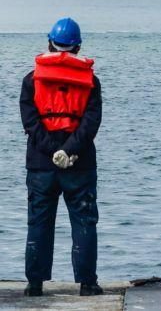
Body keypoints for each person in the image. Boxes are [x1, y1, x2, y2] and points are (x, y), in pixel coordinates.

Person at [20, 17, 103, 298]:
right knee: (84, 221)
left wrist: (52, 152)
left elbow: (31, 123)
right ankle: (87, 284)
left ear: (49, 43)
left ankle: (34, 285)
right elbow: (91, 124)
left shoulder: (31, 80)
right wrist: (69, 152)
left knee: (39, 222)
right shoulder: (91, 81)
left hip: (41, 164)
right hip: (79, 164)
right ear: (78, 47)